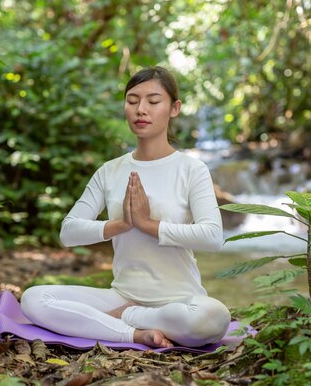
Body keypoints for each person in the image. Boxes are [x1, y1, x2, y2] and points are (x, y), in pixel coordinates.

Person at [20, 66, 230, 348]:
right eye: (132, 101)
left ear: (174, 108)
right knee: (34, 299)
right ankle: (135, 334)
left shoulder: (191, 169)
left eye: (153, 101)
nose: (141, 109)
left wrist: (147, 225)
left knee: (213, 317)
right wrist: (120, 224)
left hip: (180, 300)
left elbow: (213, 237)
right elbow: (68, 232)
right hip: (122, 293)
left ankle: (130, 317)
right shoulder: (110, 171)